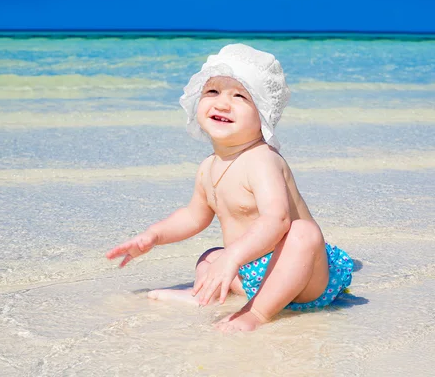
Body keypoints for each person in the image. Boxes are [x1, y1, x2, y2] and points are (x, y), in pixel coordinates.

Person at [106, 43, 354, 332]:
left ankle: (256, 313)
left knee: (303, 232)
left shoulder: (262, 160)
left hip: (303, 276)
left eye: (239, 96)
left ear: (263, 114)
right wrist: (154, 236)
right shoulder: (208, 167)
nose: (222, 103)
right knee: (210, 256)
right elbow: (193, 216)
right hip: (253, 273)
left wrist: (233, 256)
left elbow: (278, 220)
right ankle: (205, 295)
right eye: (212, 92)